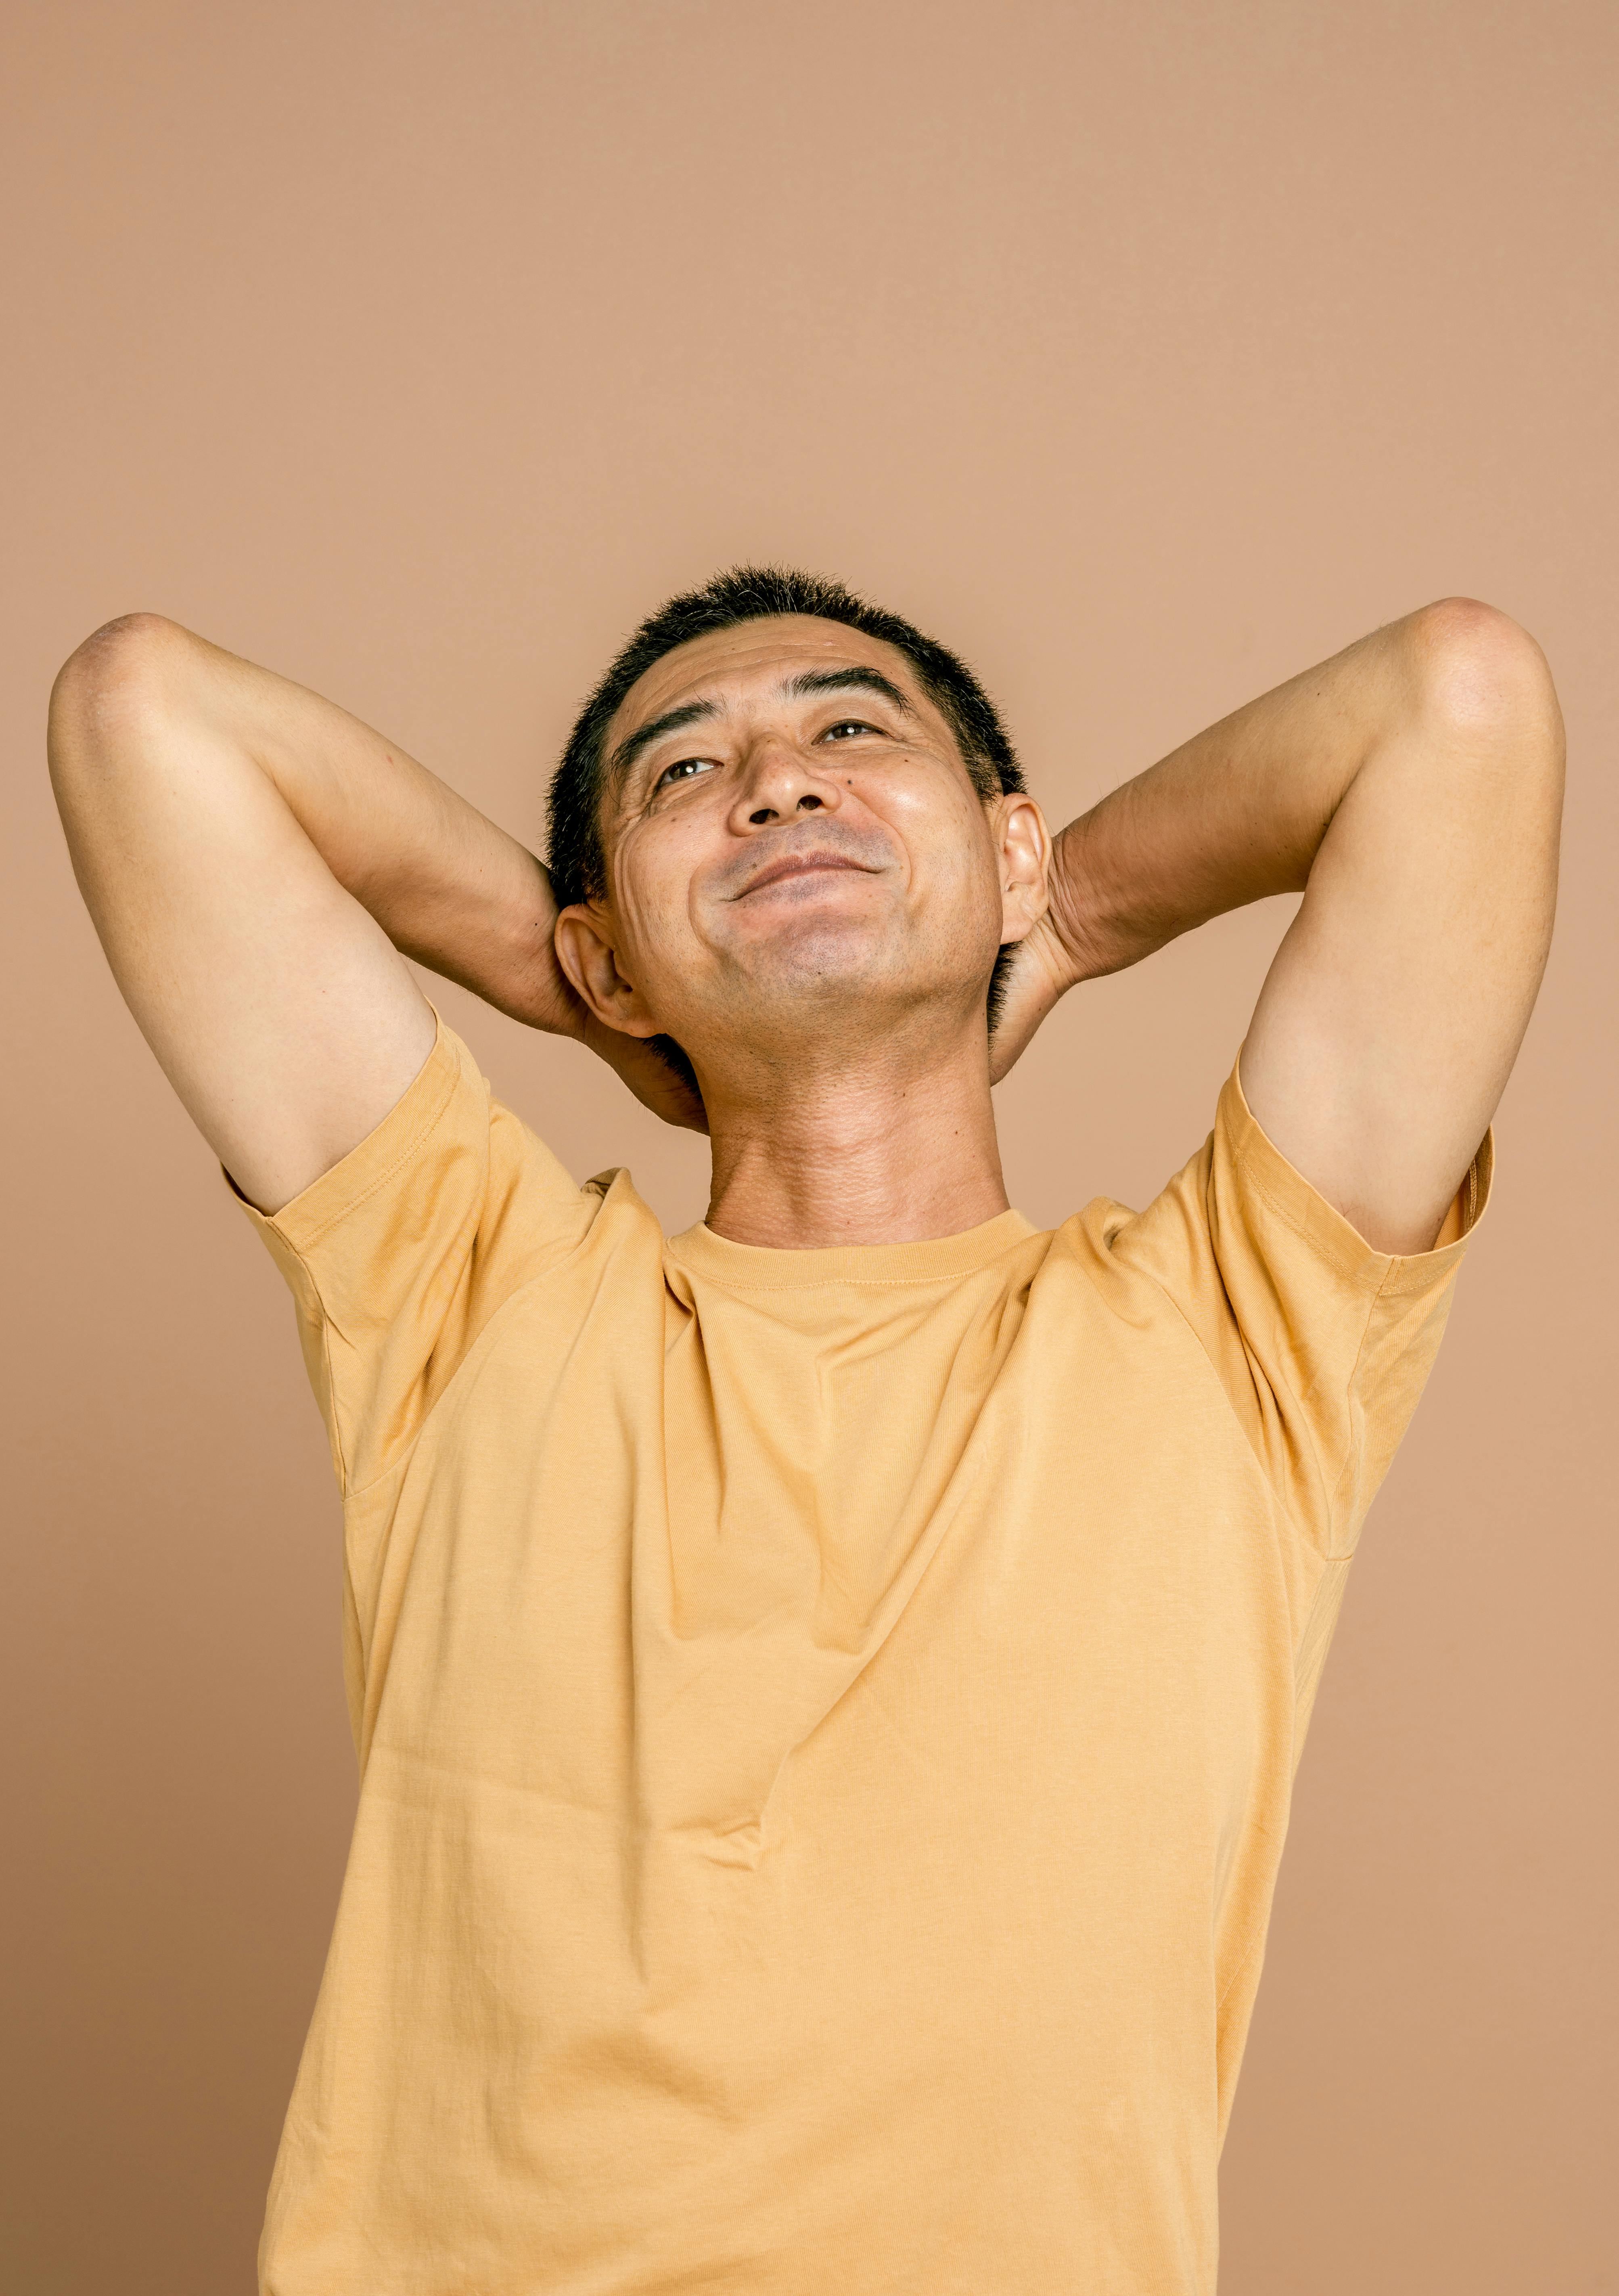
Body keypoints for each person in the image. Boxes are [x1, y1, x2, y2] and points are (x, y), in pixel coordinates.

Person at [48, 567, 1562, 2294]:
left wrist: (1058, 909)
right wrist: (575, 971)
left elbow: (1458, 704)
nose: (776, 781)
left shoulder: (1232, 1336)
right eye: (684, 776)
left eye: (850, 729)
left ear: (998, 846)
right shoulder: (464, 1303)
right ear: (605, 946)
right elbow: (138, 717)